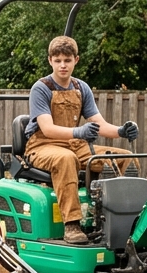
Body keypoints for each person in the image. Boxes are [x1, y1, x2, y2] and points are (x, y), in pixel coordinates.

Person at [23, 35, 140, 244]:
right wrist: (78, 132)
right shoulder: (41, 88)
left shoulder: (81, 88)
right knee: (66, 159)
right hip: (42, 146)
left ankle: (127, 219)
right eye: (58, 60)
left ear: (76, 60)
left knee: (125, 157)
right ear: (50, 61)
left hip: (75, 145)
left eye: (67, 60)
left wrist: (122, 131)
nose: (63, 65)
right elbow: (47, 129)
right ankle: (72, 225)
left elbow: (99, 124)